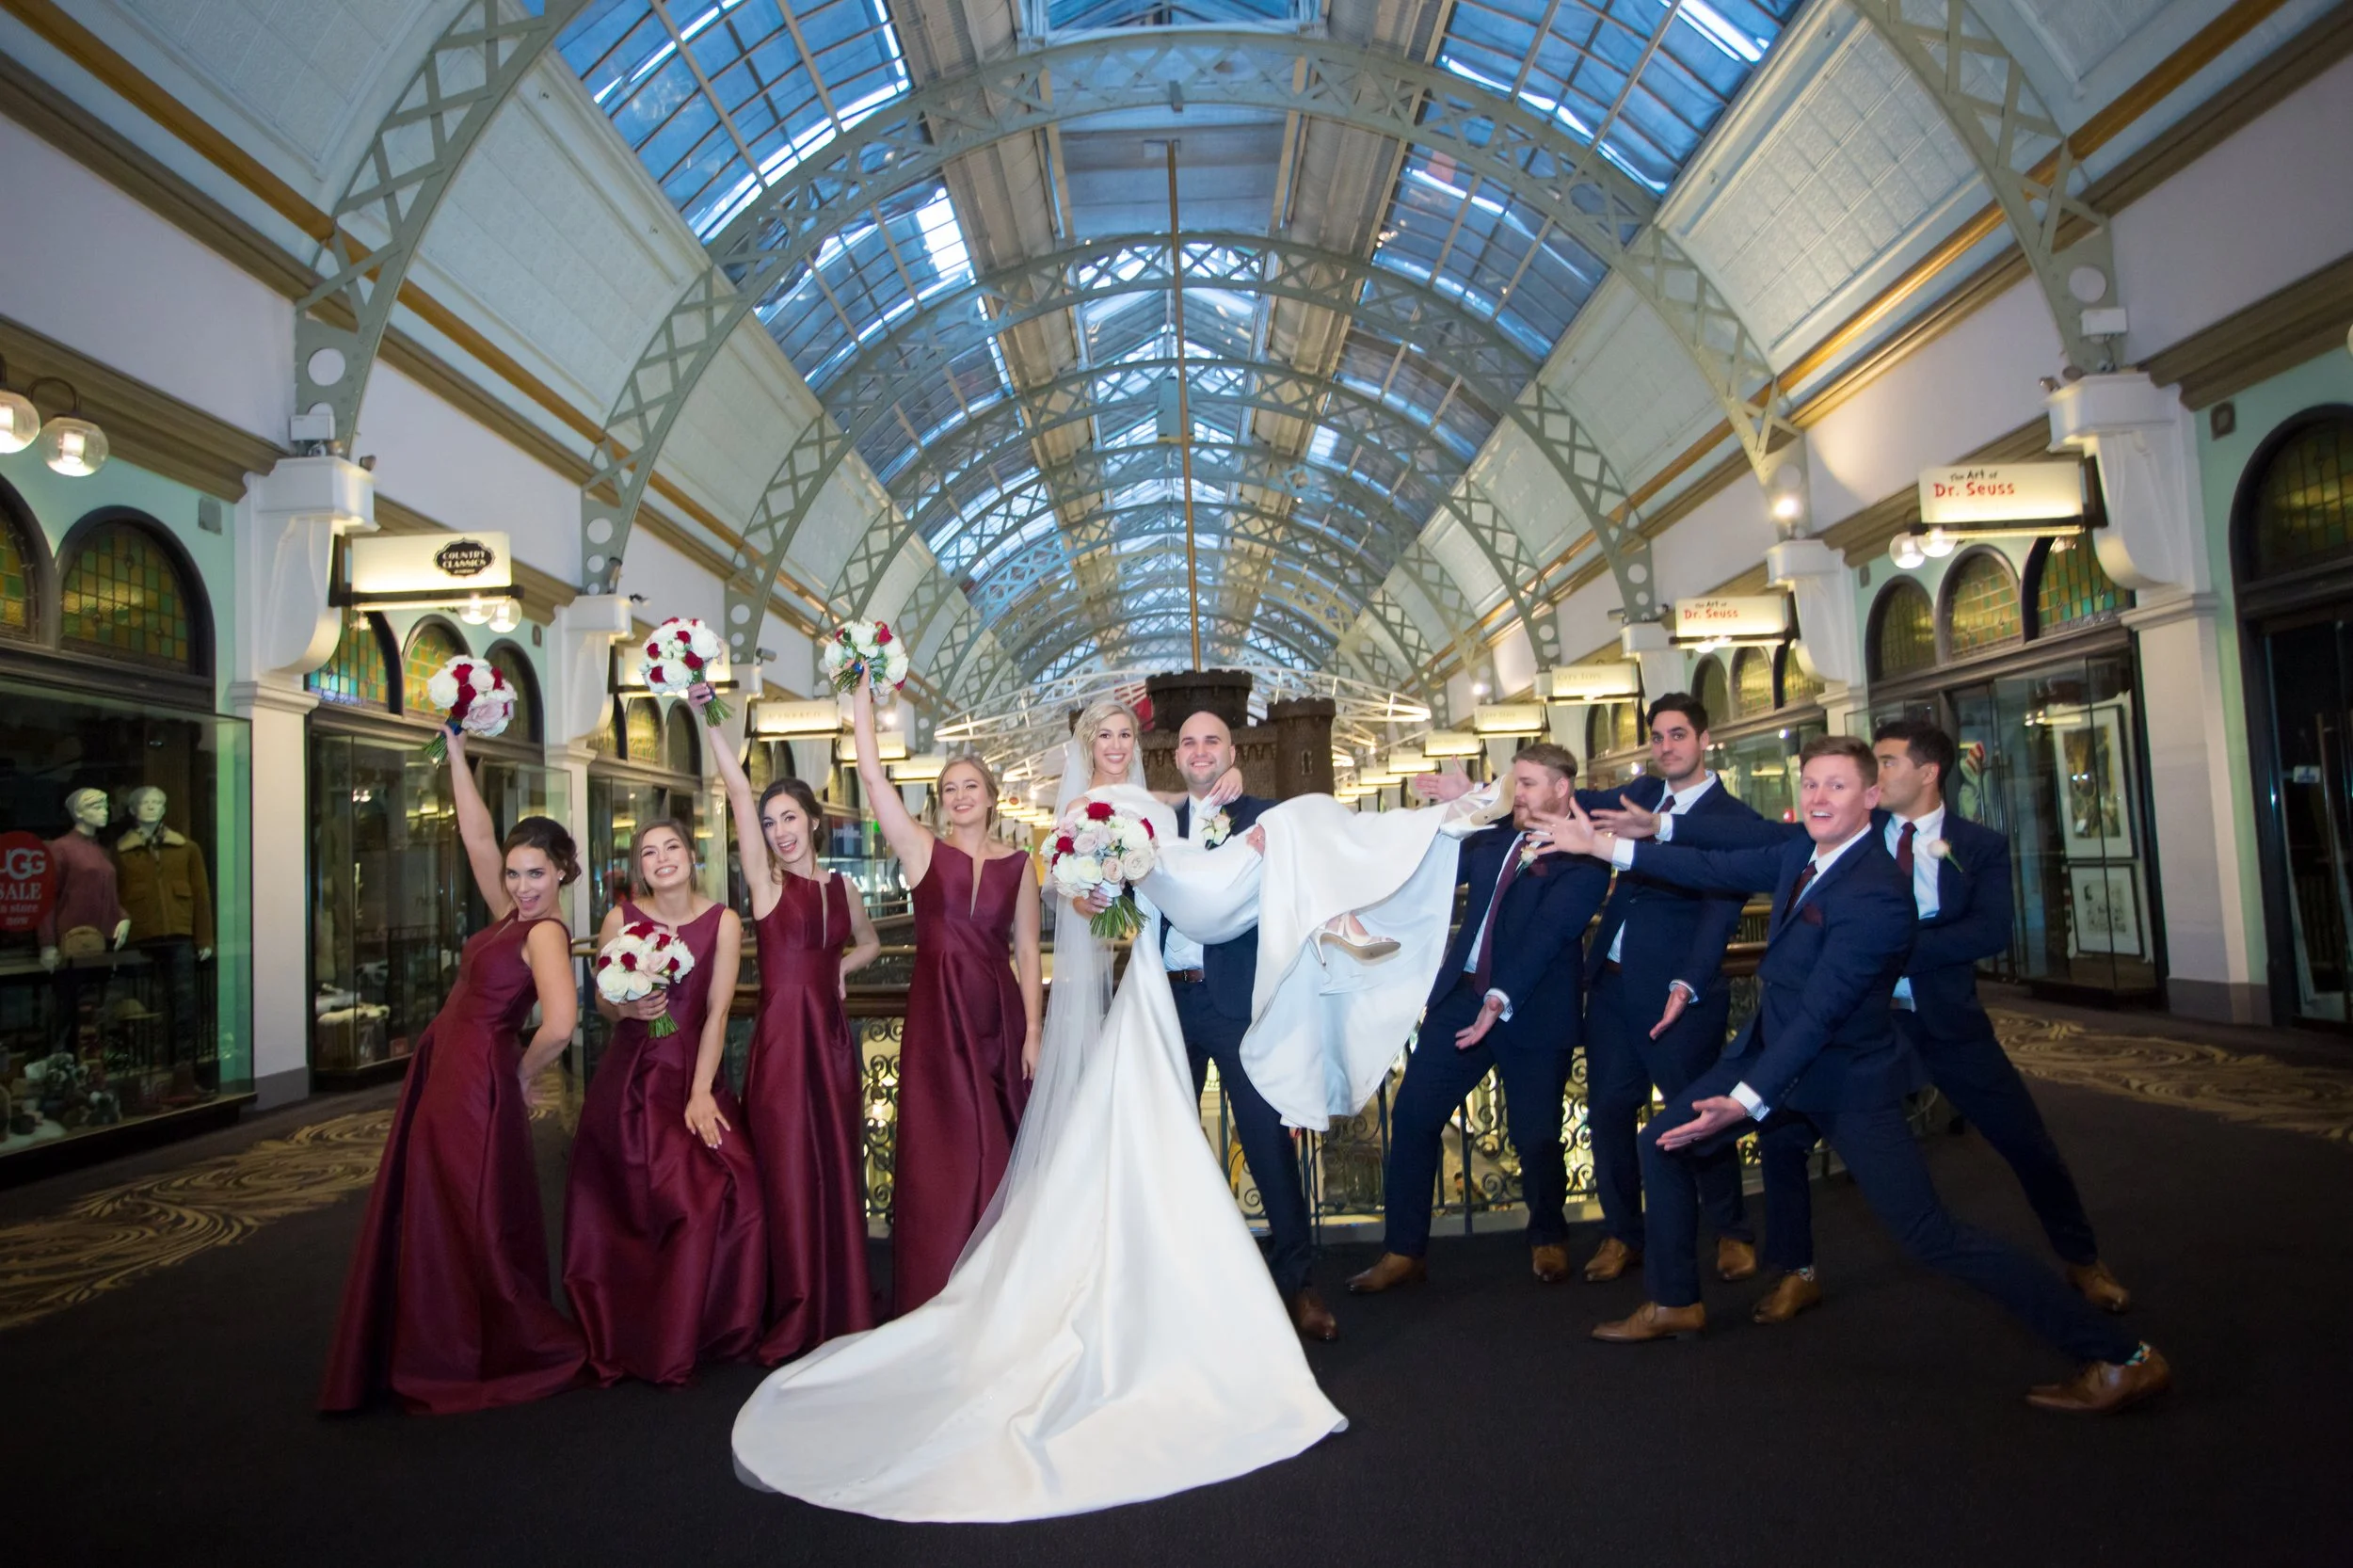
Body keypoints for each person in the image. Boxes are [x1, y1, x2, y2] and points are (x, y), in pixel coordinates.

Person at [730, 699, 1504, 1520]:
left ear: (1144, 745)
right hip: (1157, 979)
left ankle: (1396, 863)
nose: (1113, 745)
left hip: (1204, 937)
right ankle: (1155, 1290)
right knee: (1148, 1144)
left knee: (1297, 827)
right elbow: (1089, 907)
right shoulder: (1078, 818)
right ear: (1084, 747)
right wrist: (1106, 887)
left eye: (1125, 735)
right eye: (1101, 736)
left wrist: (1213, 806)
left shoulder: (1167, 803)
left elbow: (1194, 819)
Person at [1536, 735, 2169, 1415]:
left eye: (1837, 786)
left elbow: (1822, 1014)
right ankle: (1674, 1301)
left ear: (1871, 797)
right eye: (1810, 784)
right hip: (1775, 1055)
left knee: (1931, 1235)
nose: (1818, 797)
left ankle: (2119, 1357)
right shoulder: (1798, 852)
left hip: (1841, 1077)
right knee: (1661, 1139)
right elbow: (1714, 862)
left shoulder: (1877, 895)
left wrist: (1745, 1102)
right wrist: (1604, 848)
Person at [319, 726, 585, 1414]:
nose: (522, 885)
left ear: (562, 870)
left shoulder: (546, 931)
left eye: (536, 872)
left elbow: (560, 1025)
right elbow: (475, 837)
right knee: (440, 1197)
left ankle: (477, 1341)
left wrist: (521, 1076)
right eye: (515, 873)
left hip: (477, 1075)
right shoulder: (508, 916)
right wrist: (458, 753)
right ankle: (442, 1332)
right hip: (450, 1068)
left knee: (467, 1203)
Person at [1345, 744, 1613, 1295]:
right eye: (1515, 784)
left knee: (1536, 1136)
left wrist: (1499, 998)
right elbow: (1423, 867)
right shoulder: (1494, 839)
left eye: (1532, 784)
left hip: (1532, 1011)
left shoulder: (1586, 861)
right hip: (1461, 1002)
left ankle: (1547, 1236)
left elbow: (1548, 938)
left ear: (1564, 789)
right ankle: (1403, 1251)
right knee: (1415, 1116)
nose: (1519, 794)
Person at [849, 671, 1042, 1315]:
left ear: (993, 796)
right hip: (937, 1023)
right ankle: (942, 1290)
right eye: (949, 788)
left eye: (971, 787)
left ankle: (1001, 1290)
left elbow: (1025, 953)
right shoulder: (920, 851)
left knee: (1003, 1145)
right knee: (946, 1151)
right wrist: (861, 694)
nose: (960, 796)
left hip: (1001, 1023)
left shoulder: (1020, 866)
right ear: (939, 801)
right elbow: (874, 781)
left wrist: (1035, 1034)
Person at [702, 685, 884, 1362]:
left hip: (832, 1043)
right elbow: (735, 794)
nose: (777, 830)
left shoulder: (844, 890)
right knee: (786, 1168)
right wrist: (709, 715)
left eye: (788, 819)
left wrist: (842, 969)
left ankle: (842, 1299)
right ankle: (794, 1301)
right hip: (781, 1045)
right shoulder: (766, 884)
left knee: (834, 1164)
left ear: (811, 820)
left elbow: (867, 942)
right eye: (770, 820)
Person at [562, 816, 766, 1385]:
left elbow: (718, 1010)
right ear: (639, 867)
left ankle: (708, 1325)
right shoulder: (618, 920)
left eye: (671, 846)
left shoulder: (722, 921)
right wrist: (626, 1009)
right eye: (649, 853)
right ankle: (630, 1323)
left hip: (691, 1072)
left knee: (731, 1184)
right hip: (629, 1078)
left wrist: (701, 1092)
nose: (662, 858)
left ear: (691, 856)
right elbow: (603, 1003)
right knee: (636, 1194)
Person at [1157, 710, 1334, 1341]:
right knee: (1162, 1144)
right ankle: (1179, 1285)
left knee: (1265, 1142)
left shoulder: (1266, 817)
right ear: (1175, 756)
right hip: (1162, 1006)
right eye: (1188, 741)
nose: (1199, 750)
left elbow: (1313, 871)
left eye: (1212, 741)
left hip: (1234, 1004)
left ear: (1233, 753)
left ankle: (1299, 1284)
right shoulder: (1157, 823)